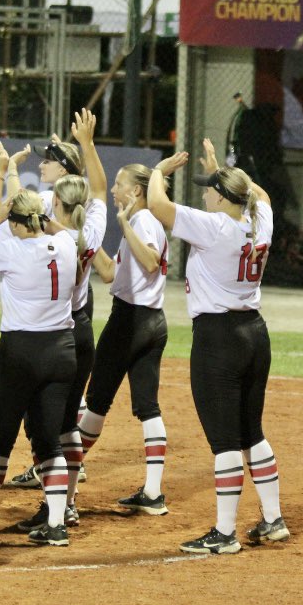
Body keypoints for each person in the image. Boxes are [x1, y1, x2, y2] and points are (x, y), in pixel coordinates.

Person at [147, 139, 289, 555]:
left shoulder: (215, 226)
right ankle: (273, 517)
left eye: (210, 187)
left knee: (225, 440)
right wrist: (224, 171)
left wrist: (160, 171)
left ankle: (225, 534)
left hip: (218, 339)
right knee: (251, 431)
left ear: (224, 197)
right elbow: (258, 196)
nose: (205, 192)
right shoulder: (258, 220)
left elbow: (157, 205)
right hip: (254, 333)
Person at [5, 110, 108, 530]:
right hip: (78, 326)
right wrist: (86, 144)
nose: (43, 166)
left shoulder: (50, 219)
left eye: (50, 161)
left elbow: (16, 208)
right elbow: (98, 189)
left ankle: (58, 507)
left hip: (50, 329)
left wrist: (9, 172)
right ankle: (67, 501)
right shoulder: (90, 223)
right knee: (64, 424)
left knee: (45, 425)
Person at [0, 185, 78, 546]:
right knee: (50, 441)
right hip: (62, 351)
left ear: (18, 223)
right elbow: (61, 233)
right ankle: (56, 523)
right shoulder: (67, 244)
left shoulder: (10, 249)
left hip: (21, 351)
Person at [77, 160, 171, 516]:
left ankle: (61, 474)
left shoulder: (142, 220)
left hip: (130, 324)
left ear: (136, 191)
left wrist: (122, 224)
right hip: (151, 322)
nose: (114, 190)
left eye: (119, 184)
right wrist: (83, 238)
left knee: (96, 404)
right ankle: (152, 492)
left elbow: (149, 261)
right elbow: (109, 274)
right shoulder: (139, 222)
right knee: (147, 407)